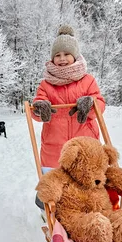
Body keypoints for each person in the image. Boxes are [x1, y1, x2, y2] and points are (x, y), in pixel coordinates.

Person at [31, 24, 106, 209]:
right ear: (52, 58)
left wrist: (89, 104)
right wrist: (40, 109)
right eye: (57, 55)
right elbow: (37, 109)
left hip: (85, 144)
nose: (62, 59)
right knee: (54, 182)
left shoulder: (88, 80)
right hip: (55, 146)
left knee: (85, 181)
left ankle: (85, 212)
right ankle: (49, 211)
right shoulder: (46, 85)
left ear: (75, 55)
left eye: (66, 54)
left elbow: (100, 105)